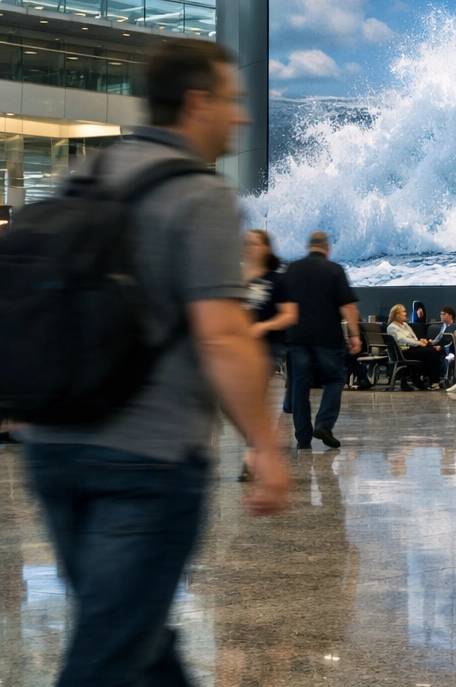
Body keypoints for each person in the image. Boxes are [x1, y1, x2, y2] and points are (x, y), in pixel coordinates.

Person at [23, 39, 290, 684]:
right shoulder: (200, 195)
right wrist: (265, 445)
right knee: (110, 658)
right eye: (232, 101)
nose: (242, 118)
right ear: (197, 102)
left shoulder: (87, 173)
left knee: (132, 639)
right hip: (145, 464)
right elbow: (222, 337)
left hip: (53, 446)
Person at [283, 231, 361, 449]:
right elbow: (348, 306)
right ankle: (324, 424)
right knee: (334, 380)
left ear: (309, 247)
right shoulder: (335, 270)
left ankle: (303, 438)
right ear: (327, 248)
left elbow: (283, 304)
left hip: (297, 337)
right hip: (328, 337)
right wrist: (354, 335)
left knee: (300, 387)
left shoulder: (292, 268)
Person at [240, 228, 297, 479]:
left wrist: (263, 325)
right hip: (241, 348)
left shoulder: (277, 281)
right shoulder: (240, 279)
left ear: (266, 249)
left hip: (267, 348)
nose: (248, 248)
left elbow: (289, 315)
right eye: (246, 244)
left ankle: (251, 459)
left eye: (253, 243)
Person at [386, 303, 442, 390]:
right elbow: (403, 340)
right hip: (403, 352)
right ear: (397, 314)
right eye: (403, 312)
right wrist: (419, 343)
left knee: (433, 349)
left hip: (412, 348)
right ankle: (432, 381)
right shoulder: (392, 327)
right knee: (430, 352)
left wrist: (420, 341)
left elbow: (413, 338)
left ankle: (424, 377)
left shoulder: (405, 325)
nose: (405, 313)